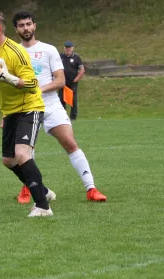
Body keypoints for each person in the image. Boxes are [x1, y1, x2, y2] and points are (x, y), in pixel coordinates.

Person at [11, 11, 107, 203]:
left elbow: (61, 81)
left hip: (51, 105)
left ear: (35, 26)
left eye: (28, 24)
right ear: (16, 29)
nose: (26, 28)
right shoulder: (14, 52)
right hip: (26, 107)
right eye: (21, 25)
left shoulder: (49, 50)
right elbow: (11, 85)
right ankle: (28, 188)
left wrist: (38, 89)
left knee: (70, 144)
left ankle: (91, 189)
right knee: (24, 151)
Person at [0, 9, 55, 217]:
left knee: (22, 154)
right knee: (8, 161)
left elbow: (32, 84)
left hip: (29, 106)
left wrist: (5, 76)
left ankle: (43, 207)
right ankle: (43, 191)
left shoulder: (15, 52)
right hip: (9, 111)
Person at [59, 41, 85, 120]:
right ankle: (62, 116)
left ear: (72, 48)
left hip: (72, 82)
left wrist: (76, 80)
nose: (68, 49)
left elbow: (82, 70)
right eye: (66, 48)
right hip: (62, 81)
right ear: (64, 48)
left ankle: (73, 116)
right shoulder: (60, 56)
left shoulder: (76, 57)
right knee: (61, 98)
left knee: (73, 99)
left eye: (69, 48)